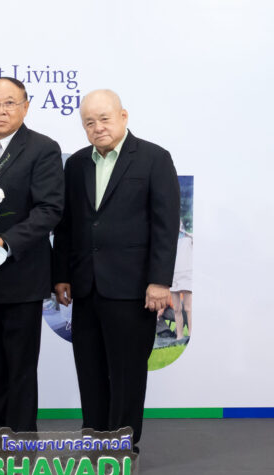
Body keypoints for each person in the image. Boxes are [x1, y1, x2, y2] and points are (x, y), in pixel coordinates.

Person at [52, 89, 180, 446]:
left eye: (104, 119)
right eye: (89, 122)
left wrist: (159, 281)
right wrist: (61, 274)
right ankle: (95, 440)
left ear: (123, 117)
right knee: (90, 370)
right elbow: (66, 226)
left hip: (133, 287)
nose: (98, 127)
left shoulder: (154, 158)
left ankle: (122, 444)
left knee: (127, 373)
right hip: (85, 286)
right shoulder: (76, 163)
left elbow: (165, 225)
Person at [0, 77, 64, 449]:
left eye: (9, 103)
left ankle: (20, 440)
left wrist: (5, 242)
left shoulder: (43, 149)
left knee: (19, 365)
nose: (0, 110)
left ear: (25, 106)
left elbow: (49, 209)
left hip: (21, 274)